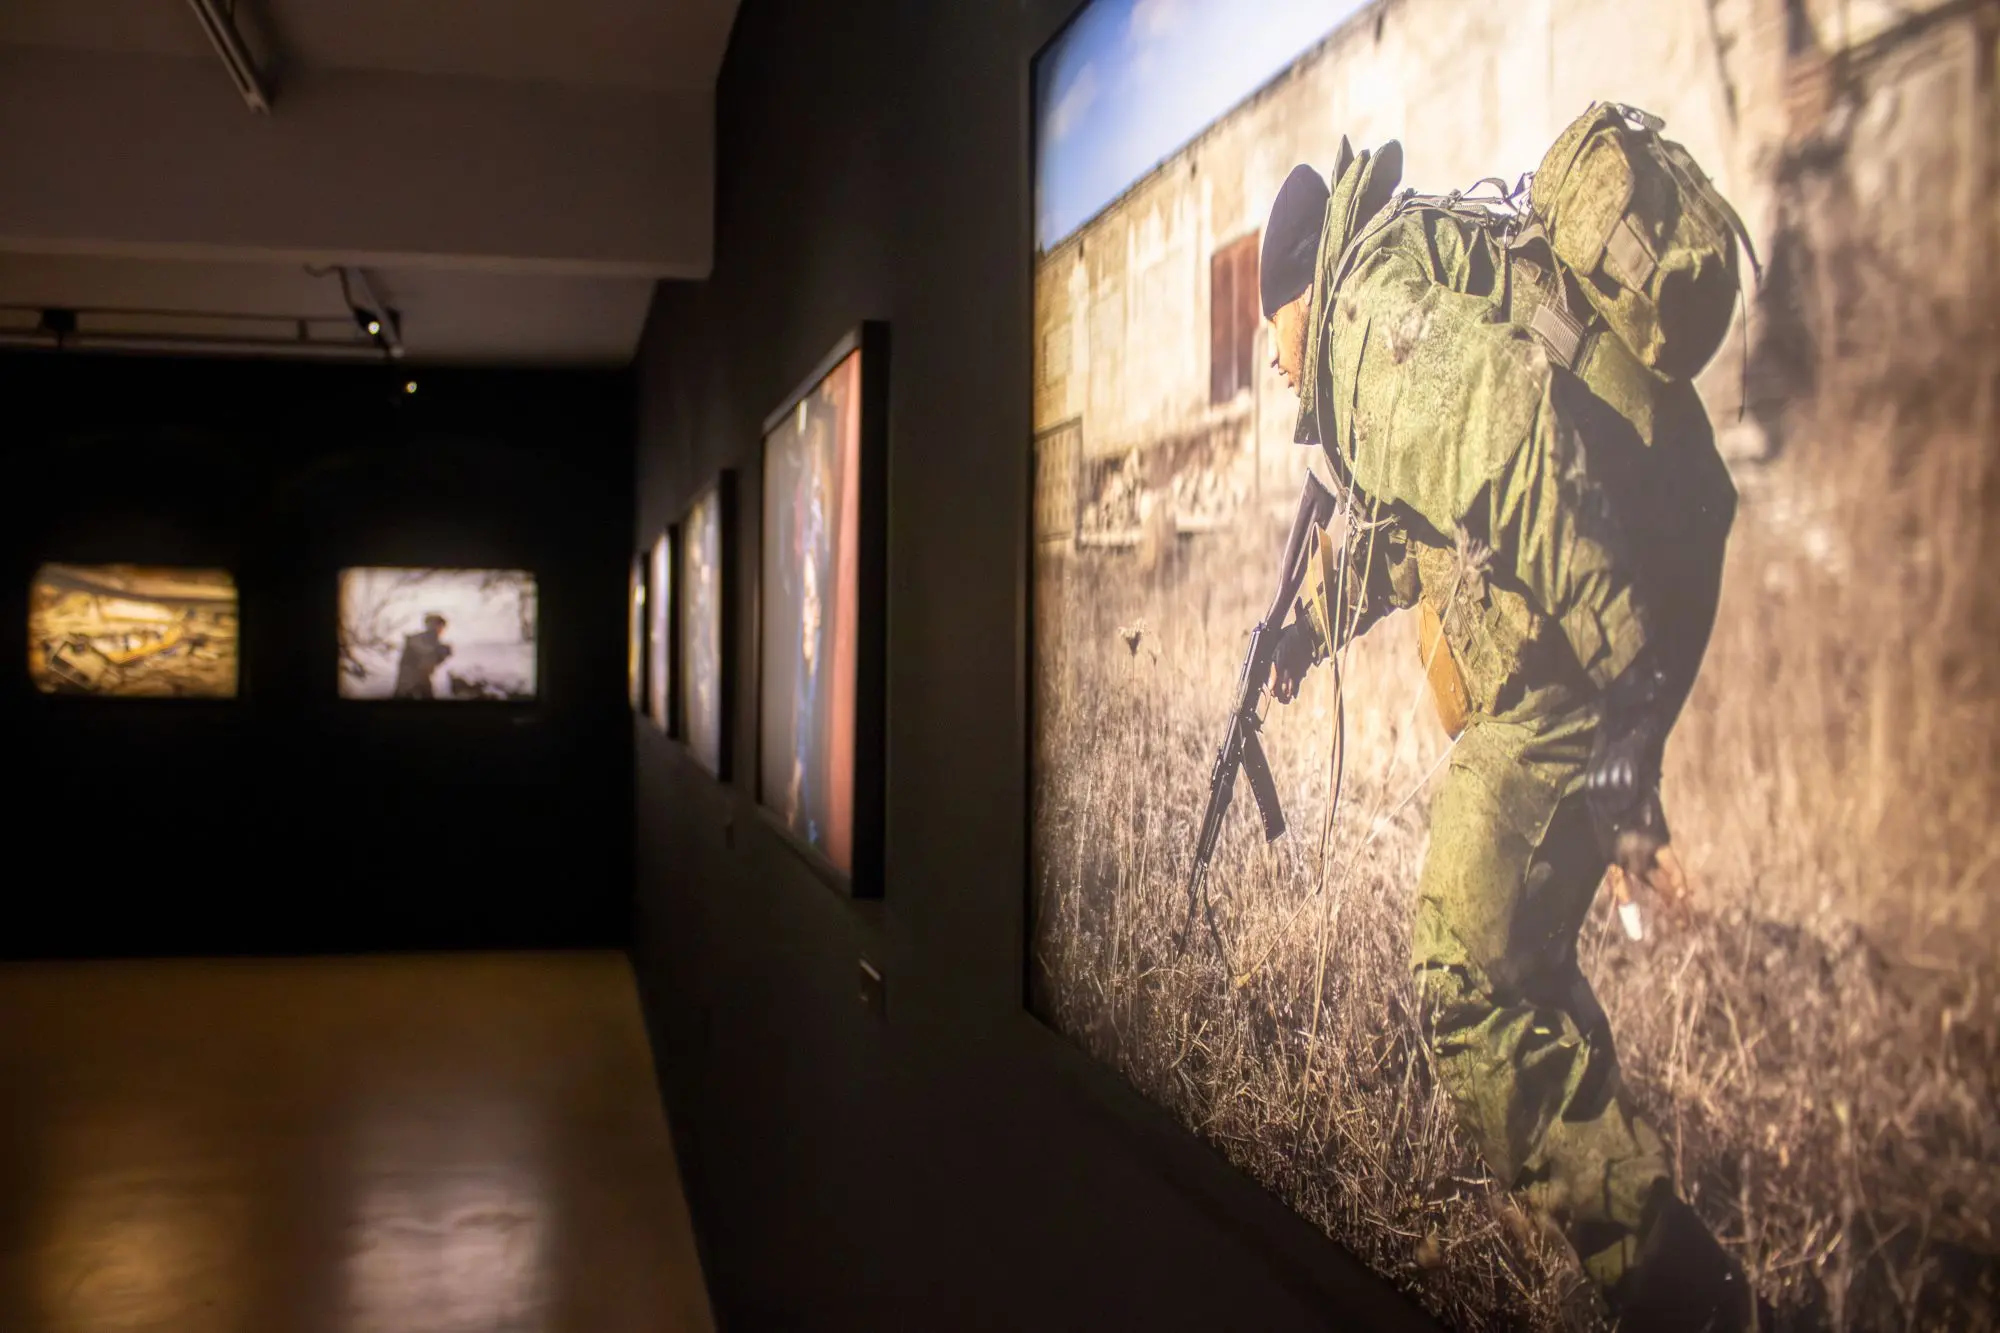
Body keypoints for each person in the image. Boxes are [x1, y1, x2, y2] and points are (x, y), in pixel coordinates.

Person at [1254, 139, 1752, 1330]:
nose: (1276, 372)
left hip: (1586, 630)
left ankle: (1687, 1305)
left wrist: (1627, 679)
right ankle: (1674, 1271)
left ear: (1298, 301)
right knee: (1516, 960)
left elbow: (1512, 430)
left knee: (1464, 981)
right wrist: (1303, 630)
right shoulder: (1398, 287)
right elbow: (1413, 513)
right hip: (1640, 562)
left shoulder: (1366, 318)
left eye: (1270, 336)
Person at [392, 613, 453, 699]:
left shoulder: (427, 640)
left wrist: (441, 655)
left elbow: (429, 664)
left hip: (417, 680)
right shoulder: (425, 640)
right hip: (411, 682)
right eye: (441, 627)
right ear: (436, 626)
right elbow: (426, 661)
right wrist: (442, 653)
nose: (442, 630)